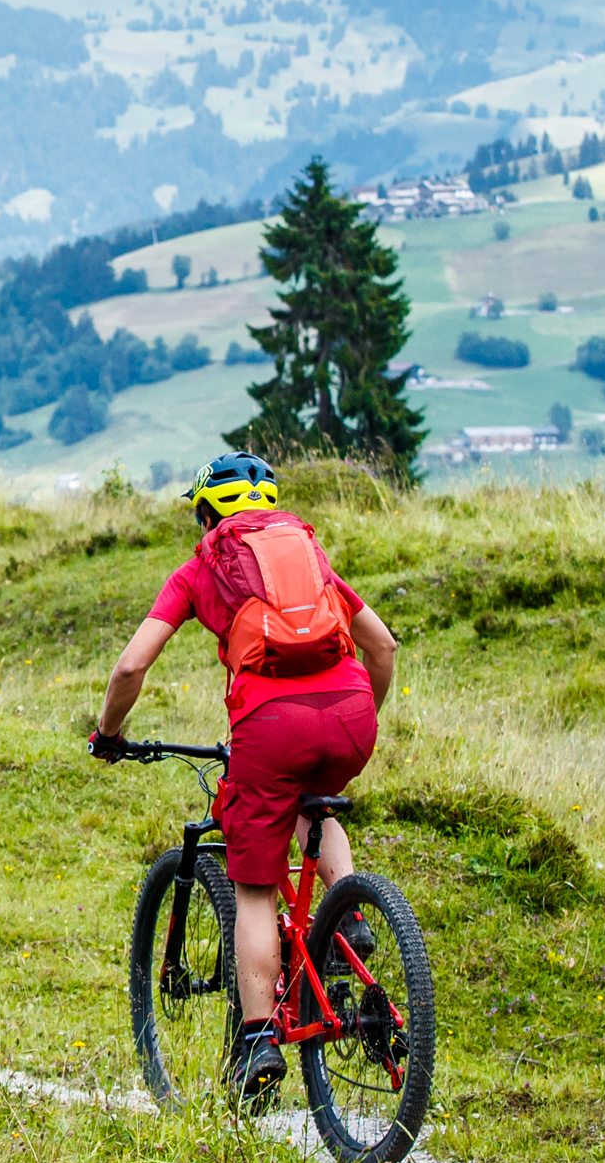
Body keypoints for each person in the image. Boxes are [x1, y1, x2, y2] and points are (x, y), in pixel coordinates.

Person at [86, 450, 396, 1108]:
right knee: (317, 808)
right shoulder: (305, 554)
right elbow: (383, 647)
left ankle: (257, 1040)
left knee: (253, 889)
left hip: (269, 727)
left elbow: (131, 666)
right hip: (350, 716)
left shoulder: (203, 566)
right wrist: (357, 716)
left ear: (207, 514)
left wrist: (108, 733)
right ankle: (348, 923)